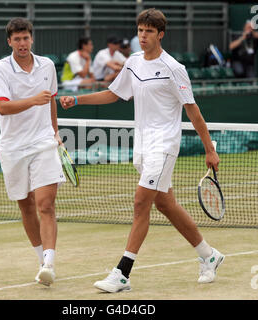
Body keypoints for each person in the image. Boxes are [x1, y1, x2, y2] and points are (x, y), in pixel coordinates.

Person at [60, 8, 225, 293]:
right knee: (165, 205)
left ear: (160, 34)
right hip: (142, 146)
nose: (143, 35)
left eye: (149, 31)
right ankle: (208, 255)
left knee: (140, 203)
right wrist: (77, 99)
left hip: (164, 146)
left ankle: (122, 273)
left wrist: (209, 149)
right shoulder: (134, 61)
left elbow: (193, 111)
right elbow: (114, 93)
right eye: (140, 30)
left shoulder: (174, 68)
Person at [0, 17, 66, 287]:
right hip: (13, 146)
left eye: (26, 38)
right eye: (17, 39)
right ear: (9, 42)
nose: (22, 43)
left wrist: (55, 132)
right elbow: (3, 107)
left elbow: (52, 100)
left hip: (44, 142)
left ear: (32, 39)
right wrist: (34, 100)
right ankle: (40, 259)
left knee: (45, 204)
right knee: (25, 204)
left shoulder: (47, 65)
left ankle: (49, 263)